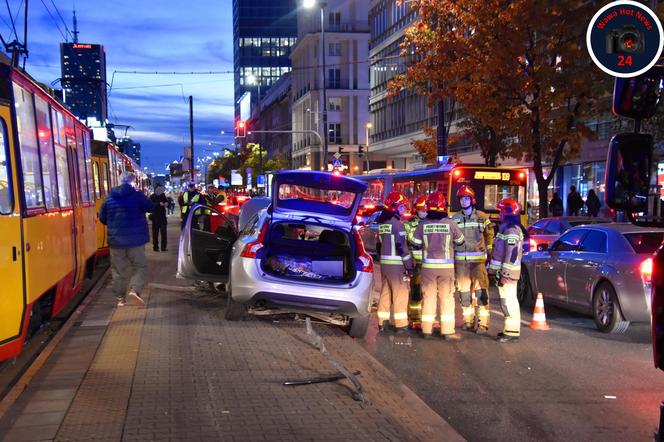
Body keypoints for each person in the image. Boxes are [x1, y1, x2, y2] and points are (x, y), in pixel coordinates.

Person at [411, 192, 465, 340]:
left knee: (428, 298)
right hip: (446, 268)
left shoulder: (423, 224)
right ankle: (447, 331)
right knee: (446, 298)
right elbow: (461, 241)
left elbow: (415, 244)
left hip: (428, 268)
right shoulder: (450, 223)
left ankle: (426, 330)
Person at [99, 172, 153, 307]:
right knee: (139, 266)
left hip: (116, 240)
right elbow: (150, 207)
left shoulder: (109, 198)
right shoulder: (137, 195)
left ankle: (120, 299)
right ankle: (134, 290)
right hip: (136, 240)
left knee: (118, 270)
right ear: (132, 181)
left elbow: (102, 218)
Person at [451, 185, 494, 335]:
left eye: (466, 198)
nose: (464, 201)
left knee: (481, 293)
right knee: (464, 294)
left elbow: (490, 234)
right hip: (461, 262)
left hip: (478, 263)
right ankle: (468, 321)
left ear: (472, 199)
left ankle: (483, 325)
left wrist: (489, 250)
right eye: (462, 198)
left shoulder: (482, 217)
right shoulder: (454, 219)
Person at [376, 191, 414, 333]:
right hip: (397, 266)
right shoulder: (398, 225)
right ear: (394, 207)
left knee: (385, 293)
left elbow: (378, 246)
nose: (404, 210)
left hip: (385, 265)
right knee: (400, 294)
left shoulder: (382, 224)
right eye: (402, 207)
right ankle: (401, 325)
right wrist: (409, 266)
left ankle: (382, 322)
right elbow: (402, 248)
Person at [489, 198, 524, 343]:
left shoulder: (511, 231)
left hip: (508, 274)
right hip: (503, 273)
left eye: (501, 211)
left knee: (509, 301)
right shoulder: (506, 228)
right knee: (505, 301)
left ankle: (512, 332)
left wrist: (505, 273)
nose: (499, 214)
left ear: (507, 212)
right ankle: (508, 330)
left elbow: (511, 255)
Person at [405, 195, 428, 322]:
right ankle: (414, 317)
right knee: (416, 291)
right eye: (422, 210)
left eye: (426, 211)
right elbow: (407, 243)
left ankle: (425, 316)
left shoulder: (431, 223)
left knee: (428, 292)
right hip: (415, 264)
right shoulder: (409, 224)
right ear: (416, 210)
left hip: (429, 264)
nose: (424, 213)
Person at [149, 184, 168, 252]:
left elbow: (166, 202)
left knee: (164, 233)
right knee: (155, 233)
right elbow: (150, 205)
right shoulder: (152, 196)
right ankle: (155, 247)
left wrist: (166, 203)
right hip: (155, 217)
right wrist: (158, 204)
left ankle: (163, 247)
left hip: (163, 217)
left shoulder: (163, 195)